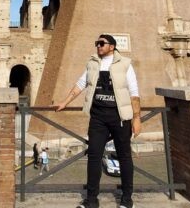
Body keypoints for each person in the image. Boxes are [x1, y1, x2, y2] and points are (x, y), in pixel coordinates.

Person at [55, 34, 141, 208]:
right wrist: (65, 102)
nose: (98, 46)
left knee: (124, 157)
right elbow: (80, 84)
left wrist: (137, 118)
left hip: (120, 117)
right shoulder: (93, 63)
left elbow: (134, 92)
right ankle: (92, 200)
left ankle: (127, 199)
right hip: (98, 117)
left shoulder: (125, 64)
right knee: (94, 156)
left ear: (112, 46)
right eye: (96, 43)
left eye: (102, 43)